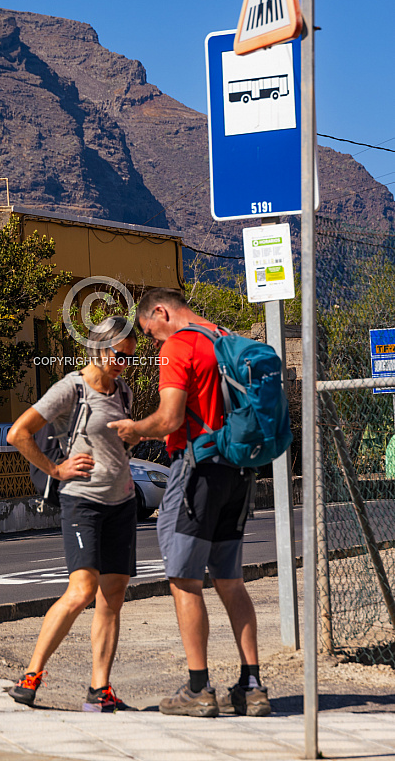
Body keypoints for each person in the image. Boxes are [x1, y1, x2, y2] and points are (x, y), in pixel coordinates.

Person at [108, 288, 271, 718]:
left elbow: (170, 419)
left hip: (197, 470)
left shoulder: (179, 346)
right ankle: (252, 686)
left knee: (184, 579)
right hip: (239, 470)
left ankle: (198, 688)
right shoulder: (224, 336)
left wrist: (134, 429)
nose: (155, 343)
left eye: (151, 333)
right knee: (230, 581)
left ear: (161, 312)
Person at [6, 316, 137, 713]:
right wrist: (56, 469)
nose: (124, 364)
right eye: (118, 355)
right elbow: (18, 433)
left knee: (112, 598)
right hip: (83, 503)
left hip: (123, 504)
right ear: (98, 350)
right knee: (81, 592)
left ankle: (100, 690)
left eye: (130, 357)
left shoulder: (123, 392)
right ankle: (31, 676)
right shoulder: (71, 389)